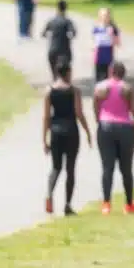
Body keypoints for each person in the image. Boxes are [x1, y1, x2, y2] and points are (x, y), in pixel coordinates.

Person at [92, 62, 134, 214]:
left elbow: (95, 107)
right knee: (126, 169)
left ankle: (106, 204)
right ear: (123, 73)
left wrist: (100, 121)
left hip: (105, 126)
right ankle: (129, 204)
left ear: (110, 71)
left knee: (107, 167)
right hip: (125, 128)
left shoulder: (100, 88)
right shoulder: (128, 89)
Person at [42, 61, 92, 215]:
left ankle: (49, 194)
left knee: (56, 167)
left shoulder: (49, 91)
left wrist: (44, 139)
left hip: (56, 132)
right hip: (71, 131)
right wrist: (87, 131)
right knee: (70, 169)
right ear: (68, 72)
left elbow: (46, 117)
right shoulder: (74, 91)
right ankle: (67, 205)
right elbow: (79, 113)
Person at [41, 0, 76, 77]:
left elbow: (43, 34)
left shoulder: (51, 21)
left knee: (54, 75)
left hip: (53, 50)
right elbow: (73, 33)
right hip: (64, 51)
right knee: (64, 74)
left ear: (57, 8)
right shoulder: (67, 22)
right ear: (65, 9)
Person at [91, 7, 121, 82]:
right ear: (99, 16)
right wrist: (93, 47)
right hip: (98, 57)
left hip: (108, 58)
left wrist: (112, 35)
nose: (104, 17)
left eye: (106, 15)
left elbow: (118, 43)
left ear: (109, 16)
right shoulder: (96, 28)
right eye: (102, 15)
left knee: (108, 80)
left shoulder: (113, 28)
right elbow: (93, 41)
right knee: (98, 80)